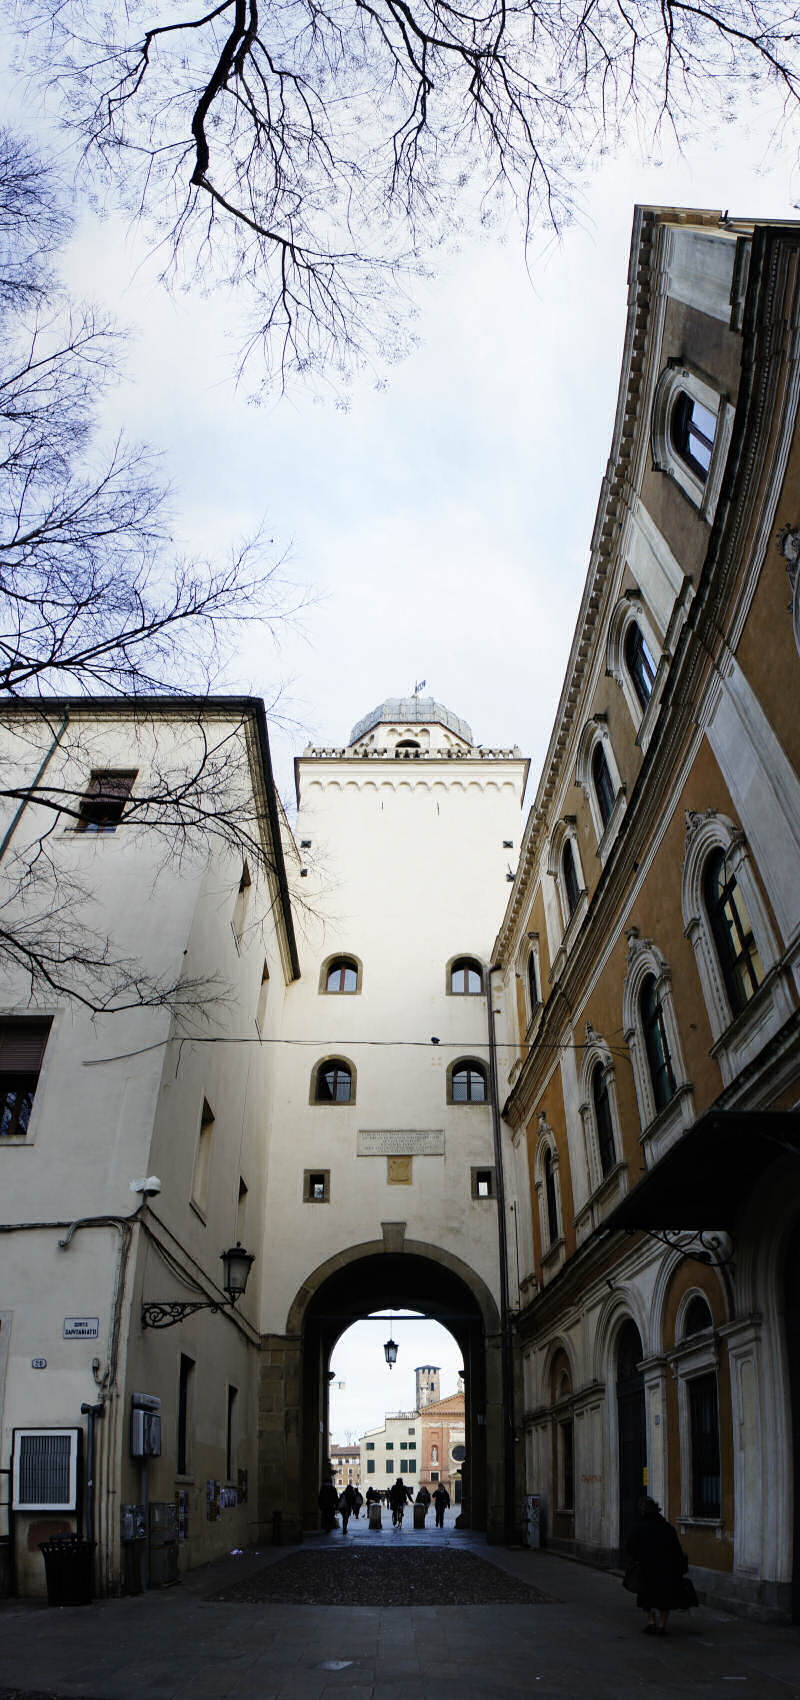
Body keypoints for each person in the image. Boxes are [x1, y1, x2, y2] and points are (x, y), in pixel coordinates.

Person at [625, 1495, 695, 1636]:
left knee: (646, 1596)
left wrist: (637, 1559)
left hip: (646, 1568)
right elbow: (677, 1550)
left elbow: (630, 1547)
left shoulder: (639, 1527)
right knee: (665, 1598)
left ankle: (651, 1622)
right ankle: (662, 1626)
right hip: (666, 1569)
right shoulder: (667, 1528)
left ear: (643, 1511)